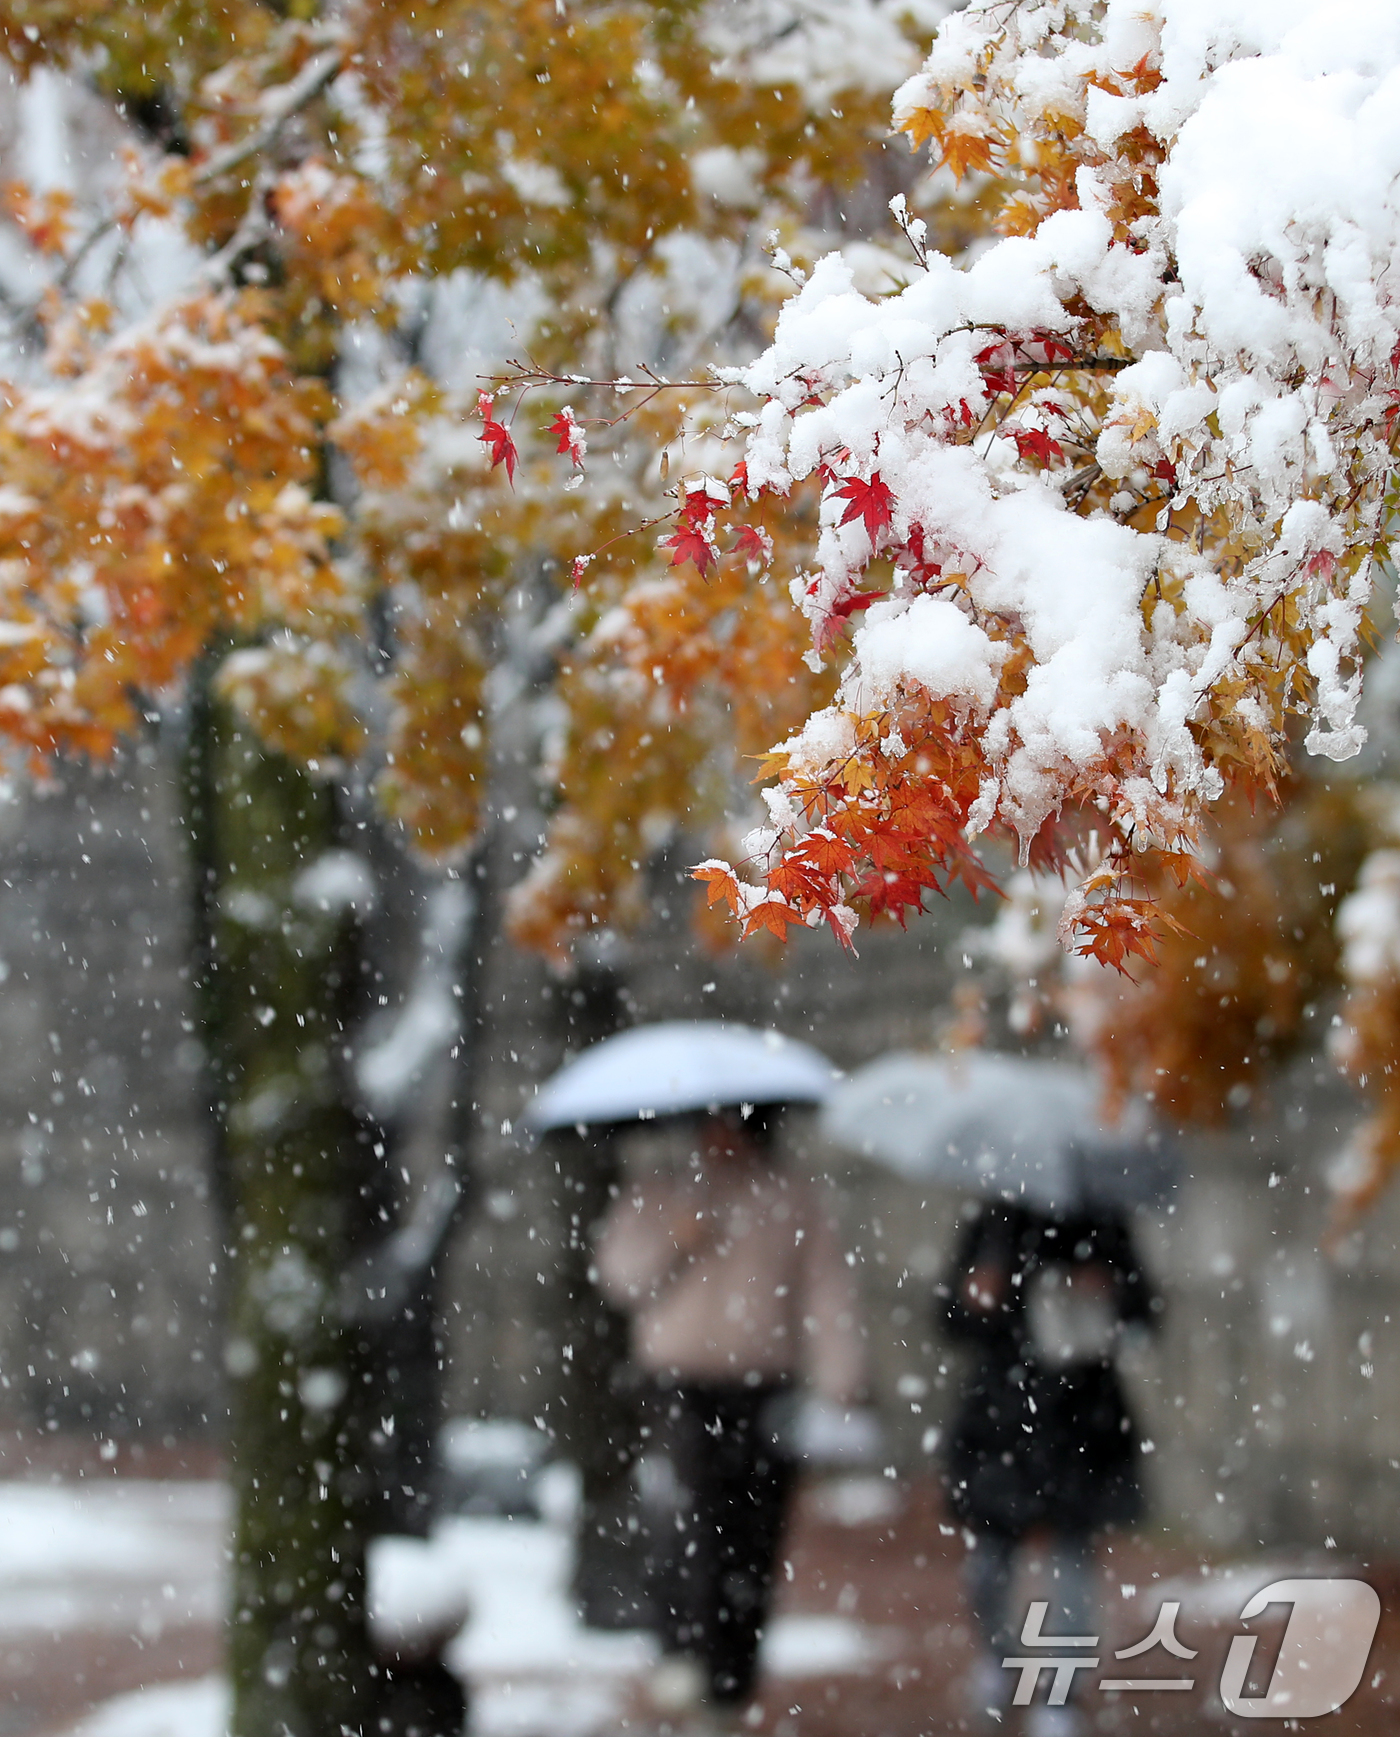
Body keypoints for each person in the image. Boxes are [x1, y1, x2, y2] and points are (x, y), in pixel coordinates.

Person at [595, 1106, 864, 1730]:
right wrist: (676, 1239)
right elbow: (618, 1277)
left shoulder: (790, 1198)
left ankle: (731, 1674)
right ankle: (683, 1651)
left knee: (754, 1532)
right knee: (687, 1521)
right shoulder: (659, 1193)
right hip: (679, 1387)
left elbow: (825, 1289)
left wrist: (840, 1376)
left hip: (765, 1388)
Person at [939, 1199, 1157, 1736]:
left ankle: (1061, 1694)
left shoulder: (1102, 1221)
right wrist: (975, 1298)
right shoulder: (993, 1222)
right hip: (1000, 1417)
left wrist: (1108, 1293)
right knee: (989, 1564)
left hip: (1082, 1417)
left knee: (1072, 1561)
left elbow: (1144, 1314)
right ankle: (999, 1659)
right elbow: (948, 1317)